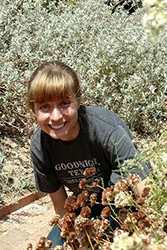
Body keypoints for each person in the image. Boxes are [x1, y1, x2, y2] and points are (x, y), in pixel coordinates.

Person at [26, 61, 151, 247]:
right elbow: (62, 209)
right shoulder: (41, 147)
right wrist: (69, 239)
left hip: (126, 204)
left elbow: (145, 189)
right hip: (87, 209)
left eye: (64, 103)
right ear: (33, 109)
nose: (56, 117)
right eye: (45, 107)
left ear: (78, 99)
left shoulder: (106, 131)